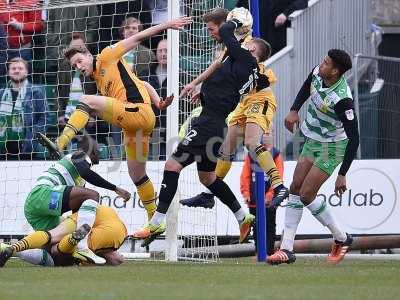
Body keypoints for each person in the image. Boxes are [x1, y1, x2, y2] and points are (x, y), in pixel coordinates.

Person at [133, 9, 268, 246]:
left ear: (254, 50)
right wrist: (201, 89)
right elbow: (219, 70)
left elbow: (227, 31)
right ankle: (242, 216)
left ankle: (157, 221)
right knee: (207, 178)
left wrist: (235, 21)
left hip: (208, 123)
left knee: (172, 165)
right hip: (214, 122)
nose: (245, 45)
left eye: (249, 45)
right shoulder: (238, 59)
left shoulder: (246, 59)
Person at [37, 17, 192, 223]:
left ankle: (61, 142)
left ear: (88, 54)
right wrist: (159, 101)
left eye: (80, 61)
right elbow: (142, 83)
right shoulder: (99, 80)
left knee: (85, 100)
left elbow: (137, 37)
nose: (78, 67)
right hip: (135, 124)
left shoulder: (108, 55)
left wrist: (167, 25)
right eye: (74, 66)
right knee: (136, 174)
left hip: (138, 112)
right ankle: (154, 222)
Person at [180, 8, 289, 209]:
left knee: (250, 142)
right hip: (244, 101)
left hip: (260, 98)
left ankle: (279, 185)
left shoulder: (245, 44)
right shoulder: (234, 47)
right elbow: (217, 65)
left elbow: (229, 34)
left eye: (212, 28)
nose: (211, 33)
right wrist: (197, 85)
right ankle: (208, 194)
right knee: (226, 149)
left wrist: (235, 22)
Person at [267, 49, 360, 265]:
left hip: (334, 146)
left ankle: (342, 238)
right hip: (312, 138)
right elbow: (307, 85)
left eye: (326, 62)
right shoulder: (319, 72)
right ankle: (287, 249)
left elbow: (354, 138)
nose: (321, 63)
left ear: (335, 71)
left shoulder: (343, 99)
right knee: (295, 188)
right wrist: (294, 110)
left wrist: (342, 174)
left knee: (307, 195)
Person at [0, 135, 130, 267]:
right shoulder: (80, 155)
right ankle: (83, 247)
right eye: (99, 152)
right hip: (43, 193)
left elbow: (78, 215)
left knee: (56, 255)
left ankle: (8, 249)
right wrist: (115, 188)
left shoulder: (78, 179)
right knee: (94, 196)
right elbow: (85, 173)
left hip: (36, 208)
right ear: (93, 152)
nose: (100, 156)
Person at [1, 204, 127, 267]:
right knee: (60, 249)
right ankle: (74, 241)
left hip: (100, 230)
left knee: (55, 246)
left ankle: (13, 249)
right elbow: (116, 259)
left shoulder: (73, 219)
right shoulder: (101, 212)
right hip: (120, 232)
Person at [240, 134, 283, 255]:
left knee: (269, 225)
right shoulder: (252, 154)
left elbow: (278, 176)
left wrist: (270, 195)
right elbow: (245, 174)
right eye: (264, 134)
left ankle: (269, 252)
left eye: (269, 134)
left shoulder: (276, 154)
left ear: (273, 136)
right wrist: (246, 193)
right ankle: (258, 252)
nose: (266, 137)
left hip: (270, 199)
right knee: (256, 225)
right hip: (254, 198)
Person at [0, 57, 46, 160]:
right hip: (2, 145)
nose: (17, 71)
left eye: (20, 68)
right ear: (8, 72)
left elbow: (45, 117)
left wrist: (33, 136)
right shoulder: (1, 93)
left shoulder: (36, 92)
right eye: (13, 68)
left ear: (26, 72)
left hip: (26, 146)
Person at [139, 38, 167, 160]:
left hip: (170, 134)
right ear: (156, 53)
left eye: (166, 50)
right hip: (148, 132)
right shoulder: (145, 75)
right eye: (160, 51)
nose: (163, 54)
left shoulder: (180, 76)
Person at [0, 0, 44, 74]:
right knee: (3, 78)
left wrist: (21, 26)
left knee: (23, 78)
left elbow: (39, 25)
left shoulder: (32, 2)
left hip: (22, 49)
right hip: (2, 51)